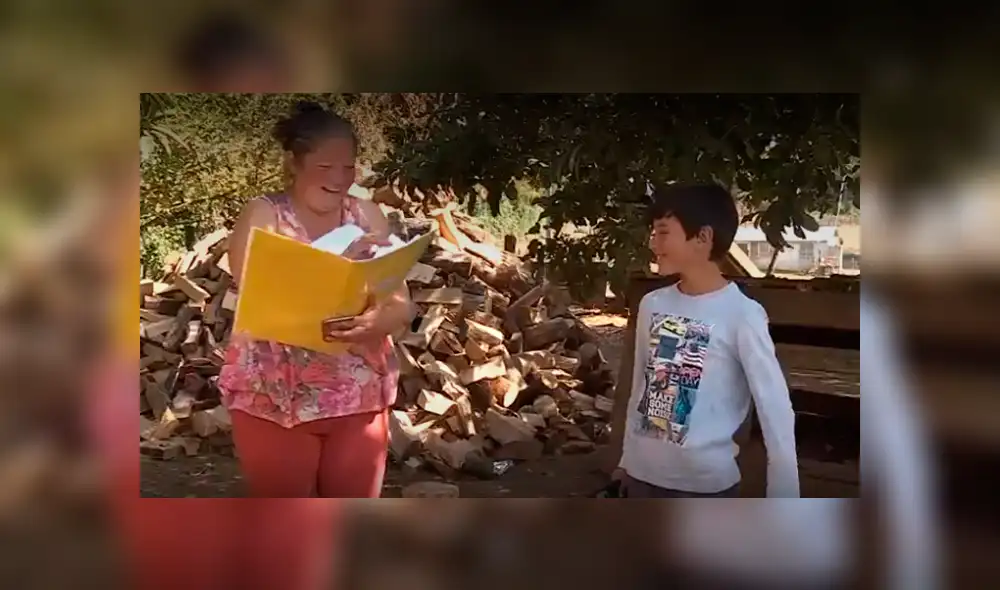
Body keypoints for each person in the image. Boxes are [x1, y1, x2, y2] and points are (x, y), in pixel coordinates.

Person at [219, 100, 415, 498]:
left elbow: (402, 304)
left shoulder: (367, 215)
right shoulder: (264, 214)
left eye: (348, 167)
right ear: (294, 163)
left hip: (358, 396)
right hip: (273, 398)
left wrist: (379, 322)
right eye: (326, 168)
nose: (339, 179)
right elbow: (251, 293)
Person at [612, 183, 799, 498]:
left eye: (662, 232)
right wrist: (627, 460)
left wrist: (784, 495)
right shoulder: (653, 304)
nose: (652, 242)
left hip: (705, 487)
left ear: (703, 238)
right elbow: (640, 389)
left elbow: (775, 409)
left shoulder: (742, 314)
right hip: (642, 479)